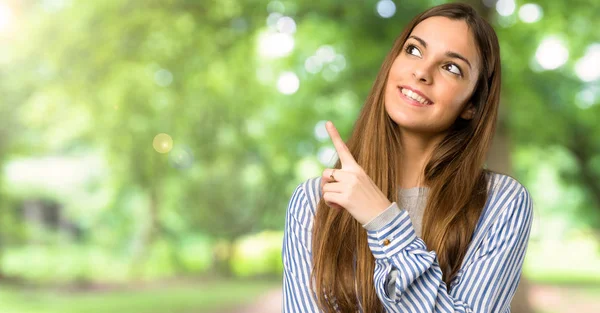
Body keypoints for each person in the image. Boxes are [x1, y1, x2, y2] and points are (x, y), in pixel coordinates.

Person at [282, 2, 533, 313]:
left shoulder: (500, 202)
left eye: (451, 67)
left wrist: (383, 221)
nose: (422, 72)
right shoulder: (314, 202)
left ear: (472, 105)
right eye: (414, 50)